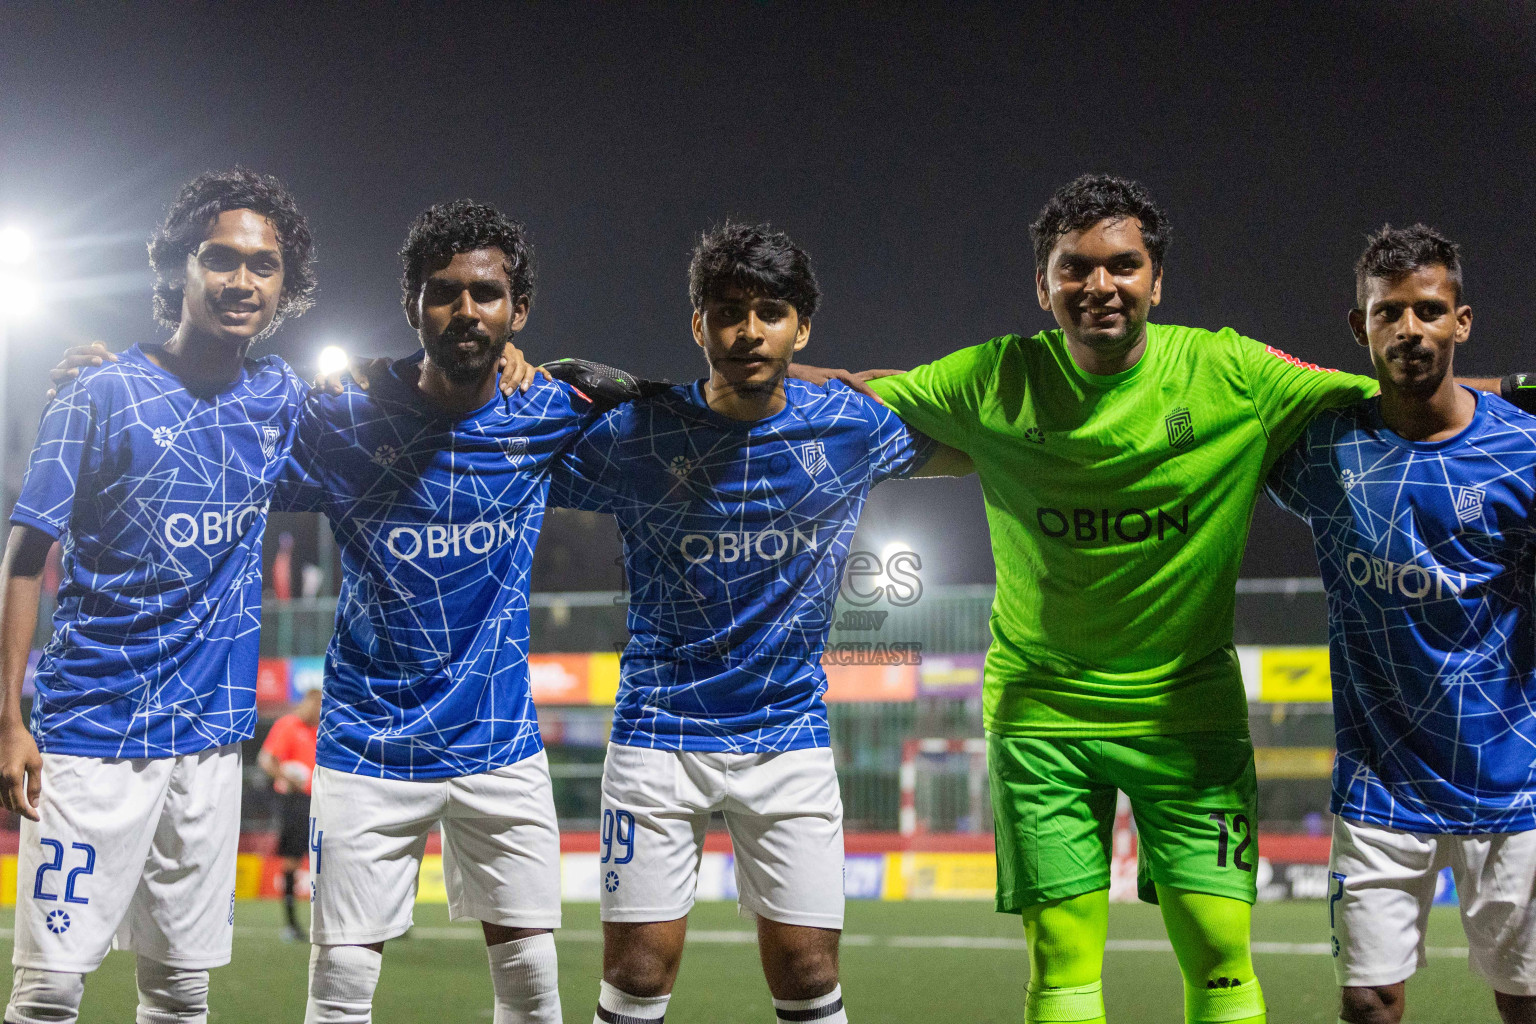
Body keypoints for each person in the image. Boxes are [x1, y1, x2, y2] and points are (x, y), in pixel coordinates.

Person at [788, 174, 1535, 1024]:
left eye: (1122, 265)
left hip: (1191, 718)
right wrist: (716, 390)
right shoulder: (994, 379)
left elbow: (1395, 388)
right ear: (1044, 285)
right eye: (1075, 268)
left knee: (1222, 965)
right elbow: (853, 390)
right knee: (1062, 971)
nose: (1099, 285)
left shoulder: (1230, 372)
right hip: (1044, 718)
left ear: (1156, 280)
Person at [551, 222, 963, 1024]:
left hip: (789, 734)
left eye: (771, 312)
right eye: (727, 311)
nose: (748, 330)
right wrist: (549, 379)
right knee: (636, 973)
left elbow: (982, 442)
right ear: (697, 325)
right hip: (657, 732)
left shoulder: (851, 427)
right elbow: (512, 444)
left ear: (801, 327)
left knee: (808, 973)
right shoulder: (639, 432)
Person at [0, 168, 317, 1024]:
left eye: (263, 266)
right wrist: (9, 721)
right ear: (179, 266)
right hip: (90, 732)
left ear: (287, 288)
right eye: (219, 259)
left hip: (209, 743)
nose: (240, 281)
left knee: (180, 991)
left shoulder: (280, 397)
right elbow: (24, 559)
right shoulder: (97, 392)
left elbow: (412, 390)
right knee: (50, 989)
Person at [282, 200, 596, 1024]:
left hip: (499, 738)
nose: (466, 311)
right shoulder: (341, 417)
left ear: (516, 311)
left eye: (486, 295)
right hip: (366, 741)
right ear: (413, 306)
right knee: (340, 992)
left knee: (533, 988)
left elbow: (677, 399)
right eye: (443, 292)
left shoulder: (549, 412)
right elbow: (221, 438)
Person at [1266, 225, 1536, 1024]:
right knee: (1369, 1003)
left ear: (1462, 321)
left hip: (1513, 781)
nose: (1409, 329)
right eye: (1389, 313)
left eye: (1429, 311)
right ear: (1362, 328)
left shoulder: (1523, 452)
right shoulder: (1321, 447)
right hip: (1380, 785)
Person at [258, 686, 322, 941]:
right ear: (306, 704)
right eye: (315, 706)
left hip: (321, 800)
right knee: (292, 861)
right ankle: (291, 922)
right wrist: (287, 777)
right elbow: (266, 759)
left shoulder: (322, 729)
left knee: (327, 861)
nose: (317, 712)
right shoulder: (288, 725)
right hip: (295, 801)